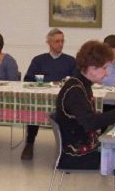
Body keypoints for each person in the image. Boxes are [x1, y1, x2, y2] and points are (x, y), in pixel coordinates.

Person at [56, 40, 115, 170]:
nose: (107, 73)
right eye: (104, 68)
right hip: (77, 156)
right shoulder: (75, 90)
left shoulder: (82, 84)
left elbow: (89, 118)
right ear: (91, 67)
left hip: (87, 147)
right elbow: (91, 123)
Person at [21, 28, 76, 160]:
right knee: (33, 108)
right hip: (41, 98)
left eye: (62, 41)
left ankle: (67, 147)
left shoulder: (70, 61)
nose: (60, 44)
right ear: (49, 42)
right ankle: (29, 143)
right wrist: (46, 81)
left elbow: (75, 81)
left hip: (63, 100)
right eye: (57, 41)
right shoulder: (39, 60)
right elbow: (28, 79)